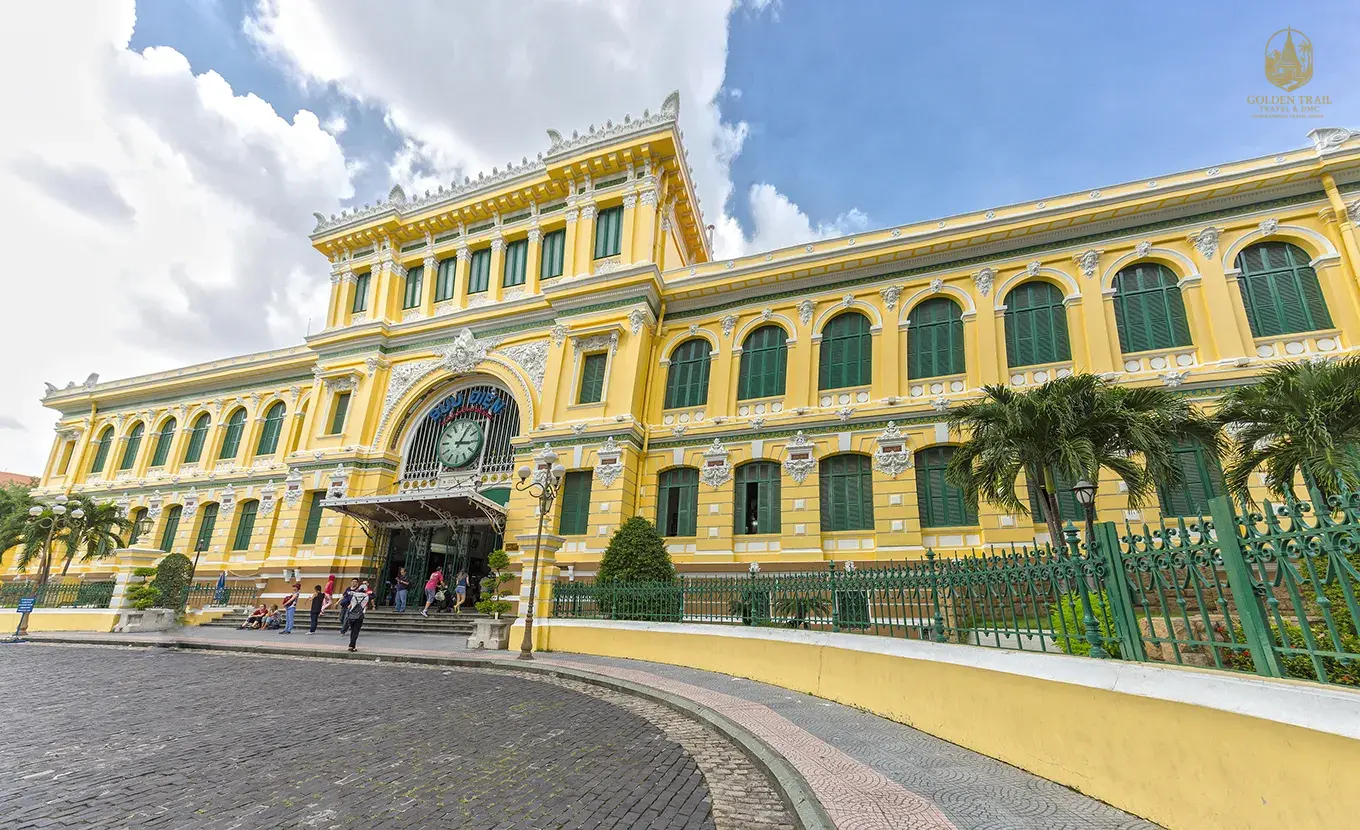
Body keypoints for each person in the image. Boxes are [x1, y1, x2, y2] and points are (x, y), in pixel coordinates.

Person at [347, 581, 371, 652]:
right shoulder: (366, 597)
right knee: (356, 631)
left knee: (352, 630)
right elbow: (374, 595)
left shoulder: (353, 595)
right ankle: (352, 645)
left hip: (352, 614)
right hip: (360, 615)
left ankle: (351, 645)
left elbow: (347, 595)